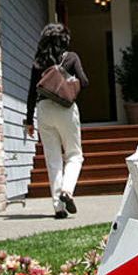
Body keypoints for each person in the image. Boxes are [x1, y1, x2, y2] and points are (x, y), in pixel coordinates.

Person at [24, 23, 89, 219]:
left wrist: (29, 121)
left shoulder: (38, 62)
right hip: (65, 110)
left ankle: (58, 208)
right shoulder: (71, 58)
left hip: (43, 109)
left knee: (53, 159)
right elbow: (85, 82)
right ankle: (67, 191)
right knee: (74, 155)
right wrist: (69, 83)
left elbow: (31, 93)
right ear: (65, 40)